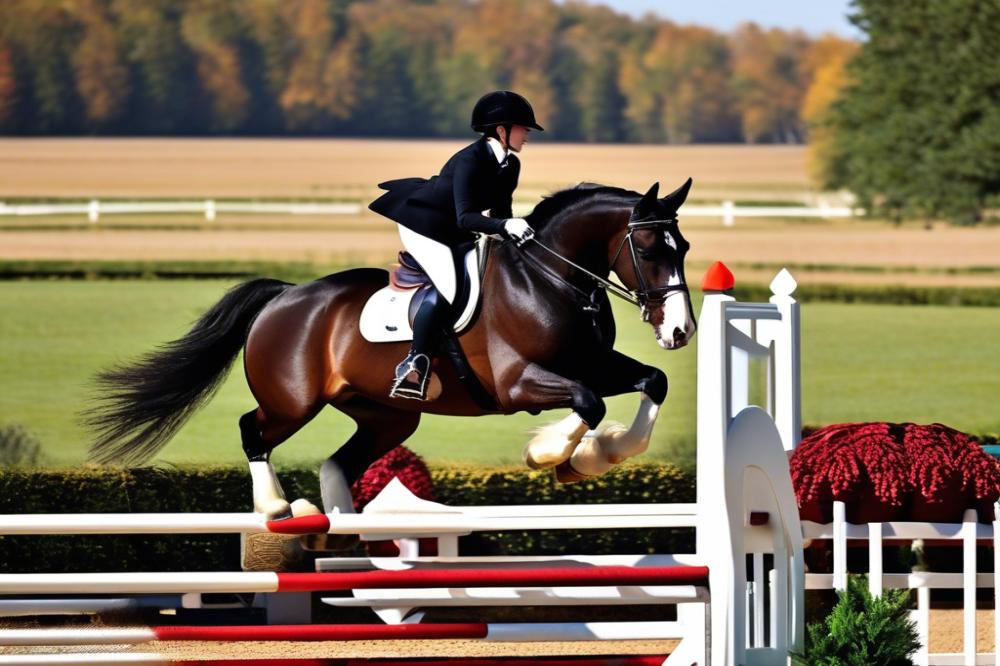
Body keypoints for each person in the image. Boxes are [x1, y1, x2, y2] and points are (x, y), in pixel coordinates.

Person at [369, 90, 543, 400]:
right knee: (449, 286)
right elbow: (467, 217)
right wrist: (505, 226)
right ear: (501, 131)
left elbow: (501, 214)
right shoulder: (469, 160)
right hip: (423, 225)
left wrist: (516, 234)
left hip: (456, 229)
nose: (527, 133)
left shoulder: (510, 165)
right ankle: (415, 362)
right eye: (522, 127)